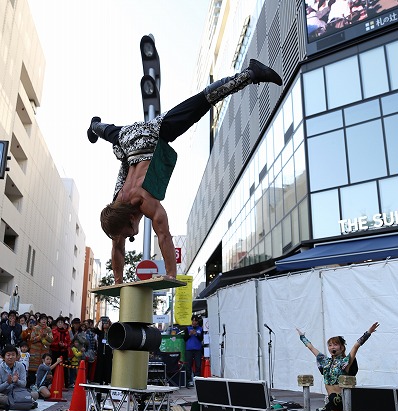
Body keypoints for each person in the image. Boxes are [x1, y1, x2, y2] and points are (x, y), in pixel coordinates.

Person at [87, 60, 282, 283]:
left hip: (150, 135)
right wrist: (118, 281)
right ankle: (94, 126)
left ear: (132, 218)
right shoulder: (116, 207)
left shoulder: (144, 200)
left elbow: (164, 235)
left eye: (129, 233)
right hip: (127, 140)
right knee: (108, 132)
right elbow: (117, 246)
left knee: (201, 102)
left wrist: (171, 274)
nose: (128, 237)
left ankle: (251, 73)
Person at [296, 322, 379, 411]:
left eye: (335, 344)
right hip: (331, 402)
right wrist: (302, 337)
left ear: (342, 347)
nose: (332, 347)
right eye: (330, 345)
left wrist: (368, 333)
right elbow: (311, 347)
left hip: (342, 399)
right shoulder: (325, 361)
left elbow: (356, 346)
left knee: (335, 397)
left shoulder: (345, 362)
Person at [0, 345, 29, 410]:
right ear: (3, 357)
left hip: (18, 392)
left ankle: (11, 403)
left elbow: (24, 384)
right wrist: (7, 383)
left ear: (16, 356)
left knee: (35, 395)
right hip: (4, 393)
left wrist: (17, 381)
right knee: (2, 398)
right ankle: (23, 403)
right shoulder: (0, 368)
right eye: (8, 355)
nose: (10, 357)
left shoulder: (20, 366)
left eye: (13, 355)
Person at [50, 316, 71, 387]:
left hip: (64, 352)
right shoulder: (53, 331)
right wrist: (57, 344)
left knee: (65, 367)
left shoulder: (66, 332)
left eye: (61, 322)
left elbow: (69, 342)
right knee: (54, 366)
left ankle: (66, 383)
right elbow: (51, 342)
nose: (60, 324)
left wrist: (64, 345)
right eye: (59, 322)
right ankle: (53, 382)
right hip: (55, 351)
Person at [184, 315, 204, 388]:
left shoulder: (200, 329)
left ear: (197, 321)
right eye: (193, 320)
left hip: (197, 350)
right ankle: (189, 381)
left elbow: (201, 339)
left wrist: (196, 334)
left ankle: (197, 379)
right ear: (191, 321)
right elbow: (185, 339)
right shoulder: (187, 328)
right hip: (189, 349)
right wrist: (189, 334)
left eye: (196, 321)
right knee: (188, 366)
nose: (194, 322)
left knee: (198, 365)